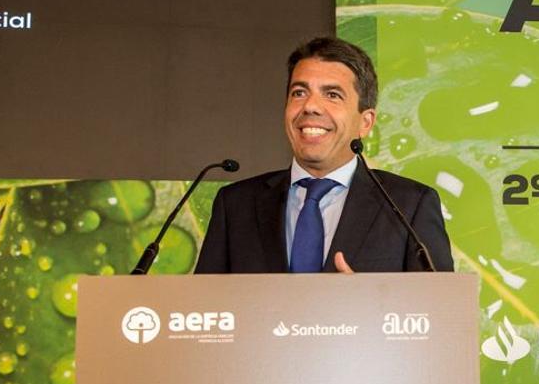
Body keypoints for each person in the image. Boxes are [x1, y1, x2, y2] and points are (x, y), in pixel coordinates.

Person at [194, 36, 453, 273]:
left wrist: (371, 305)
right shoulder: (236, 205)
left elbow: (439, 313)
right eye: (299, 93)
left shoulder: (409, 206)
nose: (310, 106)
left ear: (365, 122)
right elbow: (202, 312)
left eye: (332, 94)